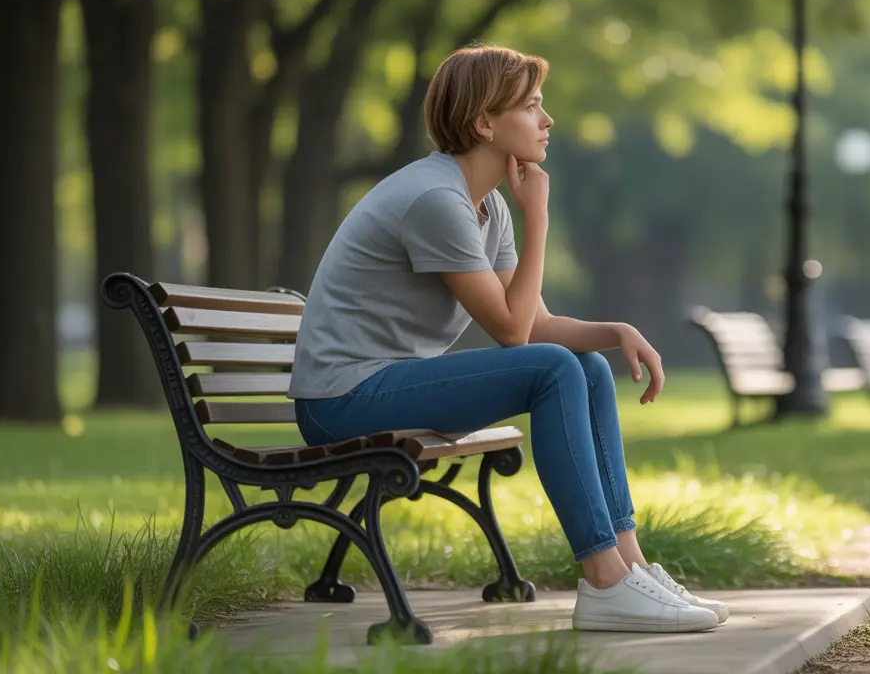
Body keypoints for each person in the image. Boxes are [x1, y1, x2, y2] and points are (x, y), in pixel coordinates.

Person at [287, 45, 726, 633]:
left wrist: (615, 331)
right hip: (340, 401)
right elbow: (515, 335)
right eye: (533, 106)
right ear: (484, 122)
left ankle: (628, 567)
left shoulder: (484, 206)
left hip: (384, 384)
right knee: (552, 367)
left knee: (587, 366)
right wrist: (539, 218)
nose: (548, 121)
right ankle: (604, 580)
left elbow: (535, 323)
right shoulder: (436, 201)